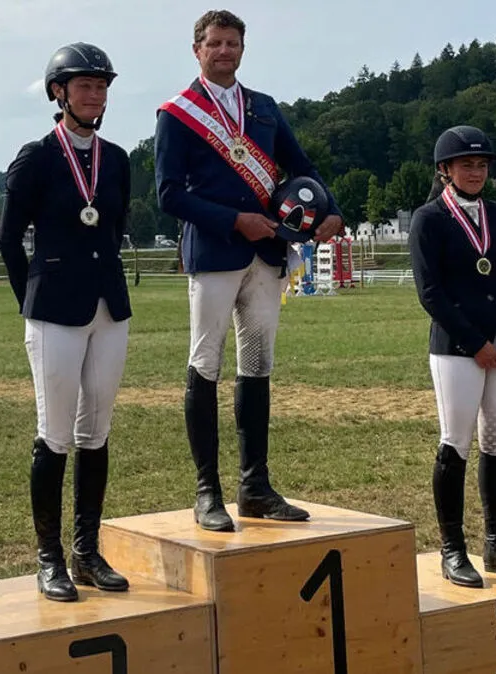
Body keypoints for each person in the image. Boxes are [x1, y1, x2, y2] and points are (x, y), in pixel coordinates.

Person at [155, 10, 343, 532]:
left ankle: (255, 486)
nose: (224, 51)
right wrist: (234, 220)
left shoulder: (264, 108)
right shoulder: (177, 114)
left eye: (232, 43)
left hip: (267, 256)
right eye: (214, 43)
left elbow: (302, 167)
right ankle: (207, 491)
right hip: (215, 254)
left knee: (257, 366)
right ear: (197, 49)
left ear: (243, 49)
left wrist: (330, 209)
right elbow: (168, 194)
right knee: (206, 364)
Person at [0, 42, 132, 603]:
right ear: (59, 92)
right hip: (54, 309)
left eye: (101, 87)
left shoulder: (117, 159)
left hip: (108, 307)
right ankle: (49, 557)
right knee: (55, 435)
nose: (95, 95)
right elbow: (9, 240)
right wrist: (30, 300)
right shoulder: (35, 158)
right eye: (84, 86)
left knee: (95, 432)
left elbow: (112, 228)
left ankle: (86, 551)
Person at [409, 126, 496, 589]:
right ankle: (452, 549)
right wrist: (472, 342)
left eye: (482, 165)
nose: (476, 172)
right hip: (458, 350)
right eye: (467, 165)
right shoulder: (428, 220)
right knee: (456, 442)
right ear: (446, 170)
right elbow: (430, 293)